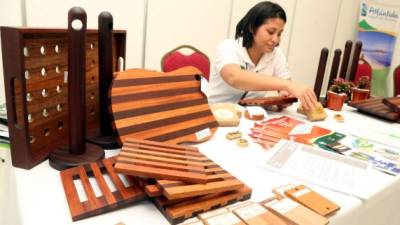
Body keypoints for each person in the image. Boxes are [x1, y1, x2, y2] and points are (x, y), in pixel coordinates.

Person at [207, 1, 317, 110]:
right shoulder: (228, 46)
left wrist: (285, 95)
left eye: (279, 34)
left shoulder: (276, 54)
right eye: (270, 32)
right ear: (251, 27)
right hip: (216, 113)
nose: (275, 40)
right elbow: (234, 77)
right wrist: (289, 85)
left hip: (250, 116)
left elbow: (285, 85)